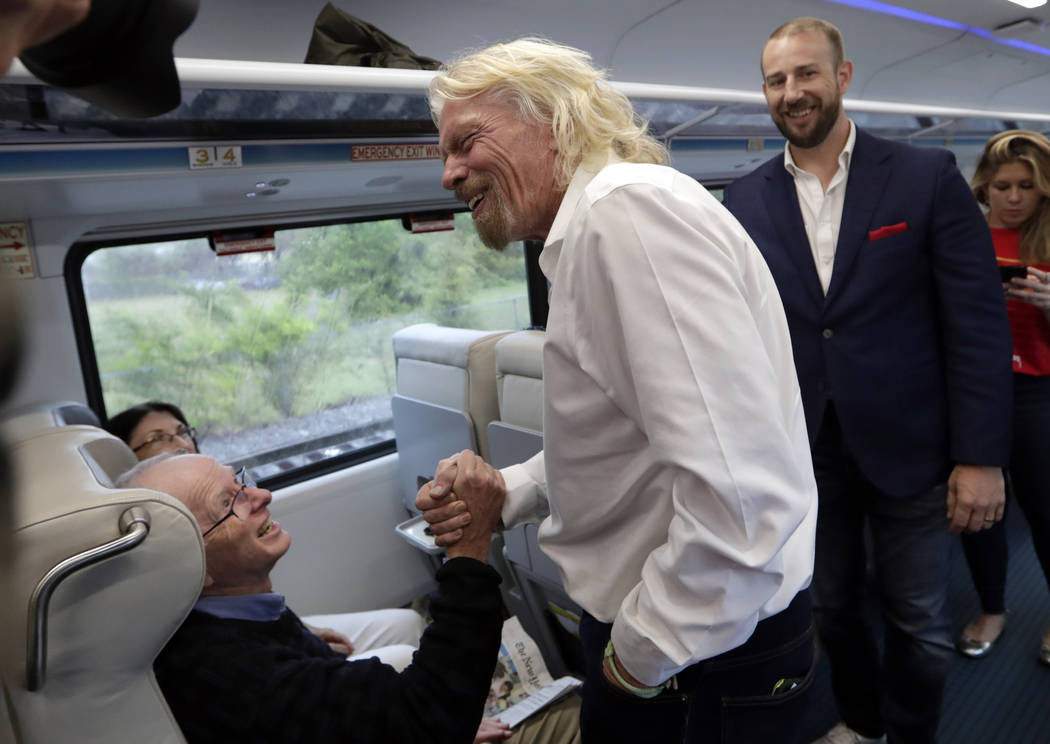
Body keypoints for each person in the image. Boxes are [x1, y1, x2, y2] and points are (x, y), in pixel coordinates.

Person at [419, 37, 819, 744]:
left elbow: (743, 498)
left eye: (466, 141)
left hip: (697, 651)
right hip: (684, 633)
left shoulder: (626, 218)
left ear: (554, 119)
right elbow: (634, 441)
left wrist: (637, 657)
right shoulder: (590, 232)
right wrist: (506, 493)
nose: (448, 174)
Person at [722, 18, 1013, 744]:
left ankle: (913, 734)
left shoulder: (923, 177)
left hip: (912, 443)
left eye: (807, 74)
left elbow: (976, 326)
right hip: (806, 454)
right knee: (834, 608)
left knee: (917, 618)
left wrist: (980, 457)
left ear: (842, 77)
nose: (793, 92)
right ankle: (863, 722)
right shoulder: (744, 199)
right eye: (777, 80)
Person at [121, 450, 580, 744]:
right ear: (189, 568)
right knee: (581, 715)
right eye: (229, 504)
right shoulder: (232, 676)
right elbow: (427, 717)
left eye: (240, 480)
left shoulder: (206, 616)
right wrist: (469, 549)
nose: (261, 495)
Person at [104, 400, 426, 670]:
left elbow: (253, 605)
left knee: (408, 623)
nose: (180, 444)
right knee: (404, 658)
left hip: (278, 634)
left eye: (182, 431)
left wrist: (305, 633)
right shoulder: (164, 548)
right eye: (158, 439)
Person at [957, 130, 1050, 665]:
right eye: (1002, 186)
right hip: (978, 390)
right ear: (985, 189)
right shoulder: (965, 239)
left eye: (1026, 187)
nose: (1013, 198)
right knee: (978, 512)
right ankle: (992, 608)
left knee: (1045, 511)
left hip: (1040, 390)